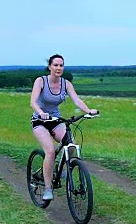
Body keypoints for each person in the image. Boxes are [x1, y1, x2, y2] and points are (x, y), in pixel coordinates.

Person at [30, 54, 98, 201]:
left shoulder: (66, 84)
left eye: (61, 65)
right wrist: (41, 113)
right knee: (49, 151)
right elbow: (33, 102)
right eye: (55, 65)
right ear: (50, 67)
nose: (58, 68)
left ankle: (60, 170)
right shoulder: (40, 81)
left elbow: (77, 100)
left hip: (56, 119)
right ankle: (48, 189)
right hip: (40, 120)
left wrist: (88, 111)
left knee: (71, 144)